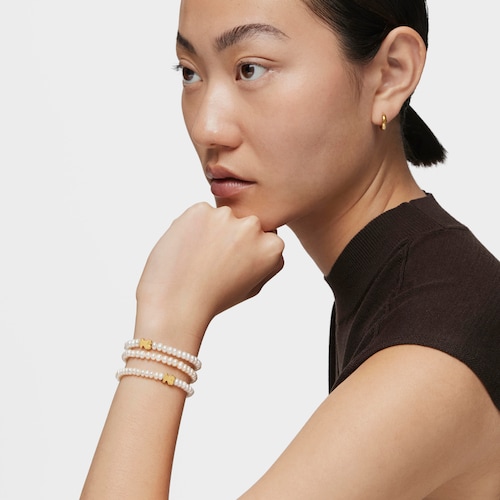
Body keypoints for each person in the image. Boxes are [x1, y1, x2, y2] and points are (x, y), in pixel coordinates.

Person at [81, 0, 500, 498]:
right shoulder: (413, 287)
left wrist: (165, 328)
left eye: (250, 69)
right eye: (190, 72)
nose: (208, 128)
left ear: (391, 74)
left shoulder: (432, 349)